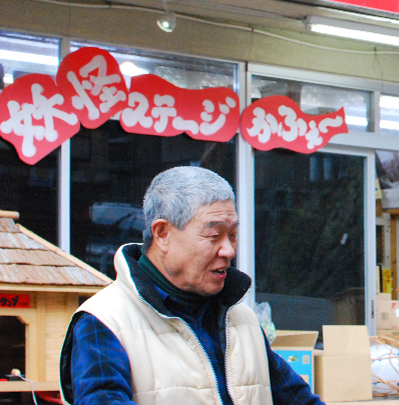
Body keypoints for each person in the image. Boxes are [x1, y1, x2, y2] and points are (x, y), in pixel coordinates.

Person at [60, 166, 323, 405]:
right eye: (214, 235)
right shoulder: (104, 322)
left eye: (232, 235)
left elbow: (298, 400)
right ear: (163, 234)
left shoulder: (243, 320)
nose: (229, 250)